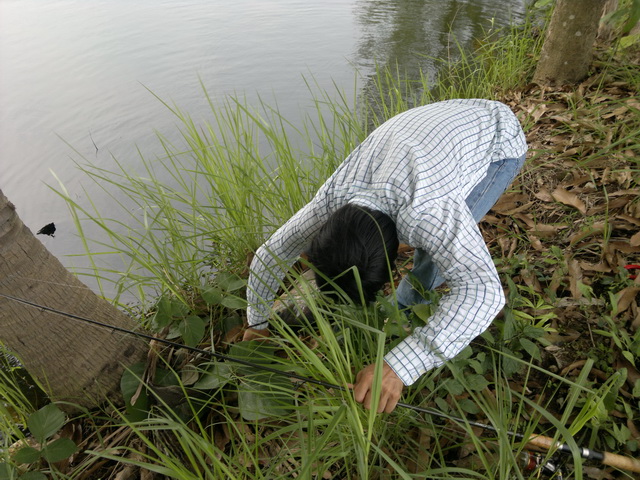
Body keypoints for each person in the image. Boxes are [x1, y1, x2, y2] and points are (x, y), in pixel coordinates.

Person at [243, 98, 527, 414]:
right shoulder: (331, 200)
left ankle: (403, 310)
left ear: (391, 259)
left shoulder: (427, 212)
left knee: (434, 261)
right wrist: (257, 322)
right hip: (438, 130)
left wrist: (397, 368)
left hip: (496, 138)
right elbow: (271, 253)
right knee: (438, 244)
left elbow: (483, 293)